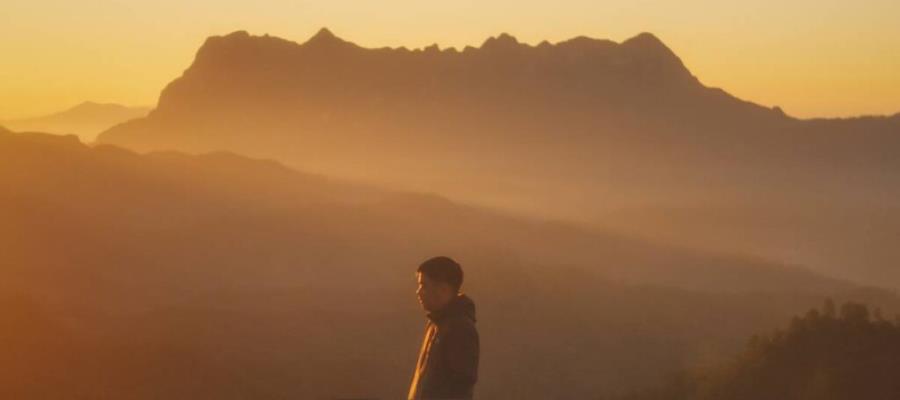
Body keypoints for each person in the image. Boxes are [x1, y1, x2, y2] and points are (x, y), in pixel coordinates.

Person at [408, 256, 480, 400]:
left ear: (443, 289)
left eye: (424, 285)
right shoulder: (436, 324)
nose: (418, 292)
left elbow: (460, 386)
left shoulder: (460, 329)